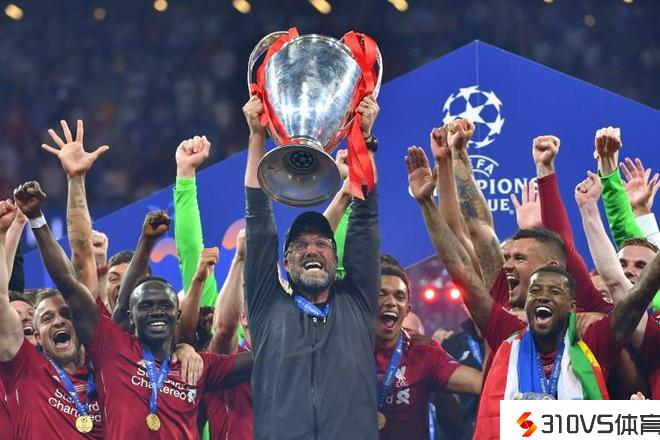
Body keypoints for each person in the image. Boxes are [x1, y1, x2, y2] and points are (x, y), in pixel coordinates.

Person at [406, 145, 660, 439]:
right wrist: (427, 203)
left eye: (553, 291)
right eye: (536, 290)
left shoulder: (593, 335)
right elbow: (461, 267)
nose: (541, 297)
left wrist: (642, 423)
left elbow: (635, 296)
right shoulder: (507, 329)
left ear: (573, 303)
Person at [16, 179, 252, 439]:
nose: (157, 311)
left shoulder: (197, 366)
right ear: (131, 315)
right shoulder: (112, 346)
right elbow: (68, 281)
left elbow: (264, 357)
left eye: (165, 305)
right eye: (146, 305)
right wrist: (36, 219)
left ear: (177, 315)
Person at [243, 93, 381, 439]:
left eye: (321, 243)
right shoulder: (267, 306)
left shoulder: (358, 302)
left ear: (336, 257)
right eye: (300, 245)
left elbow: (365, 217)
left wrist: (363, 139)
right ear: (285, 261)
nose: (311, 250)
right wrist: (257, 136)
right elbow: (258, 220)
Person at [0, 199, 104, 439]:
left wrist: (182, 347)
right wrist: (4, 233)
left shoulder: (105, 368)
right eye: (47, 318)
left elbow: (78, 274)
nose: (58, 321)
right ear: (36, 336)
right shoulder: (28, 368)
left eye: (67, 314)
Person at [375, 254, 481, 440]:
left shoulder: (424, 352)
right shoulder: (344, 345)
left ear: (407, 309)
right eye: (381, 294)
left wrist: (490, 323)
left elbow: (480, 383)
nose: (391, 302)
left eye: (399, 296)